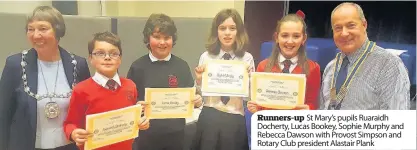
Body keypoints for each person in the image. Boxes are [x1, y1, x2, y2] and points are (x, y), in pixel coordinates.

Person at [0, 6, 90, 150]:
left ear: (58, 31)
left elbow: (87, 110)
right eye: (31, 29)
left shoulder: (78, 65)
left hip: (69, 146)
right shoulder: (15, 65)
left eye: (42, 29)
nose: (36, 35)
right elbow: (3, 115)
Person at [127, 13, 202, 150]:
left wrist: (197, 101)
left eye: (167, 38)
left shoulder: (182, 66)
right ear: (148, 39)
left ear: (173, 40)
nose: (162, 42)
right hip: (146, 137)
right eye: (157, 37)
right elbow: (128, 104)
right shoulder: (137, 67)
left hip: (177, 136)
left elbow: (190, 97)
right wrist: (137, 106)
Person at [63, 31, 150, 150]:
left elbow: (133, 120)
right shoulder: (81, 90)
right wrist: (73, 133)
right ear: (90, 59)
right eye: (100, 53)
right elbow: (70, 123)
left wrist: (141, 121)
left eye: (114, 54)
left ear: (120, 59)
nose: (107, 57)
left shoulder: (130, 86)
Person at [320, 2, 410, 110]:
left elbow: (398, 121)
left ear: (364, 25)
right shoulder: (331, 67)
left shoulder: (389, 65)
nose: (344, 33)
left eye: (351, 25)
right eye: (338, 28)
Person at [192, 8, 254, 150]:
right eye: (222, 28)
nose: (227, 33)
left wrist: (249, 81)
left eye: (232, 28)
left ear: (239, 31)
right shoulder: (206, 57)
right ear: (216, 32)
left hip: (234, 119)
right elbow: (200, 95)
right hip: (210, 118)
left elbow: (249, 97)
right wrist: (200, 81)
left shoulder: (247, 58)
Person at [247, 10, 320, 113]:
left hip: (296, 126)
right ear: (277, 37)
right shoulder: (263, 67)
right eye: (285, 35)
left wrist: (309, 109)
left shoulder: (313, 68)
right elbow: (261, 104)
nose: (290, 41)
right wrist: (255, 107)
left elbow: (314, 104)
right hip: (268, 126)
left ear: (303, 39)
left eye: (296, 36)